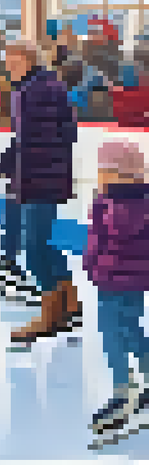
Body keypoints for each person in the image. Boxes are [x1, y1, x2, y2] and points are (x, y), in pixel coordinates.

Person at [0, 41, 81, 345]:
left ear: (27, 60)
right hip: (45, 174)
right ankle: (70, 303)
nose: (8, 66)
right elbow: (59, 135)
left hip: (40, 178)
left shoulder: (32, 91)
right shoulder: (48, 86)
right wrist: (6, 166)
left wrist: (4, 166)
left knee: (34, 248)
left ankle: (49, 313)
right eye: (6, 60)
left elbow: (32, 143)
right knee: (42, 243)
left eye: (12, 60)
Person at [85, 139, 149, 445]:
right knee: (131, 329)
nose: (98, 175)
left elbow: (105, 241)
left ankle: (123, 392)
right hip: (133, 282)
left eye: (102, 170)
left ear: (116, 174)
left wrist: (92, 266)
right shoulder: (140, 200)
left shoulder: (116, 204)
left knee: (113, 336)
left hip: (112, 282)